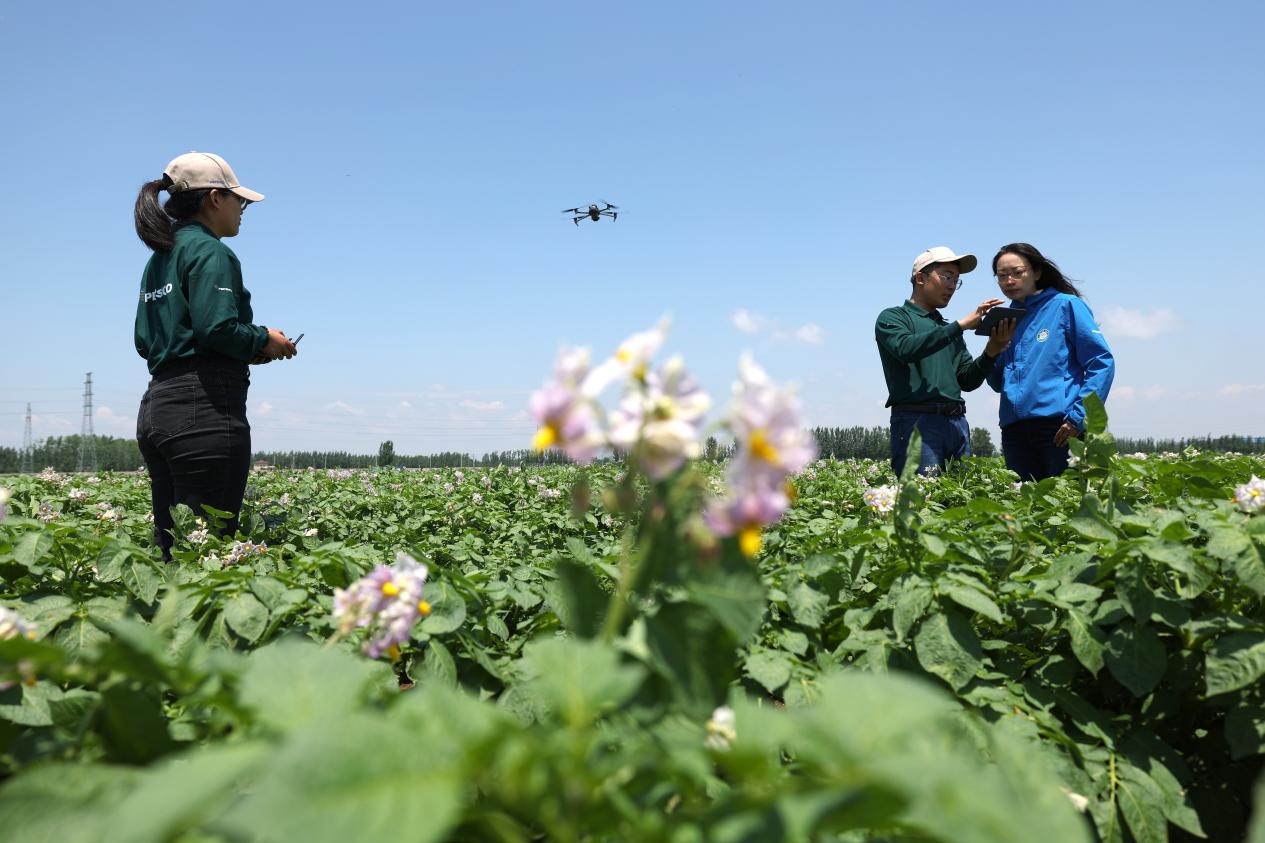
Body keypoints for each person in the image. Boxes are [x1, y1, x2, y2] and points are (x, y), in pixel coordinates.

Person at [133, 152, 297, 559]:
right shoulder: (212, 253)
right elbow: (216, 328)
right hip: (202, 409)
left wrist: (245, 348)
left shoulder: (161, 257)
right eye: (238, 201)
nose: (242, 211)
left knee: (172, 546)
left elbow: (145, 341)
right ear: (213, 199)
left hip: (158, 407)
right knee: (211, 551)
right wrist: (264, 339)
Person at [875, 246, 1013, 476]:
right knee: (922, 502)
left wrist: (993, 350)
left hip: (957, 423)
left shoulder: (946, 329)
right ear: (920, 278)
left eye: (956, 280)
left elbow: (967, 380)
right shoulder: (893, 317)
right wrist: (960, 326)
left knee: (959, 501)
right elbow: (906, 348)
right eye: (947, 276)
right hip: (917, 422)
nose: (952, 286)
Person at [985, 243, 1115, 481]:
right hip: (1014, 430)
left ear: (1037, 272)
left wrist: (1079, 416)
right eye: (1002, 276)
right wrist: (992, 351)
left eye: (1017, 272)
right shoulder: (1006, 319)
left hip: (1059, 426)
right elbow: (996, 383)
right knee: (1025, 507)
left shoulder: (1065, 305)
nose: (1009, 281)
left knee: (1063, 505)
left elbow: (1101, 361)